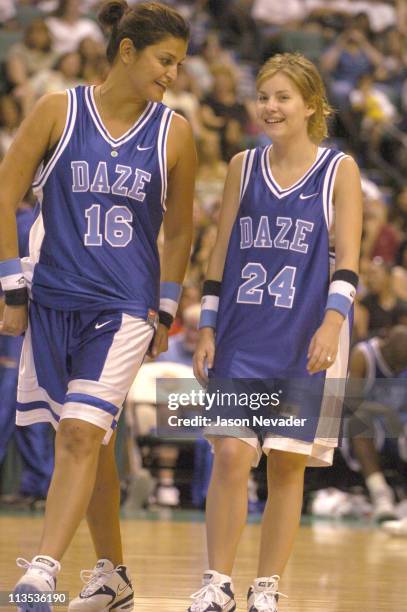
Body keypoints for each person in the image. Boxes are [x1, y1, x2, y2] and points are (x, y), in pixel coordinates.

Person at [0, 1, 195, 610]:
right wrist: (11, 289)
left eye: (181, 64)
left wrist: (164, 309)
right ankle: (112, 577)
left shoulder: (175, 131)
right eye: (166, 60)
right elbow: (4, 195)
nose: (173, 74)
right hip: (53, 299)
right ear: (128, 51)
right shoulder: (58, 110)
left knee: (82, 434)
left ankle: (43, 571)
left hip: (124, 306)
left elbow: (182, 230)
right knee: (92, 442)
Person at [191, 53, 362, 611]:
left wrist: (333, 323)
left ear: (311, 105)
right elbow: (219, 254)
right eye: (264, 95)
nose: (270, 106)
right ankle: (217, 583)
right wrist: (208, 327)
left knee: (287, 466)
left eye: (283, 96)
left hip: (306, 334)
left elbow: (349, 261)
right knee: (232, 456)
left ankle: (267, 587)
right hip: (241, 332)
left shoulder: (340, 170)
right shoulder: (243, 165)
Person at [346, 325, 407, 522]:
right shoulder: (363, 355)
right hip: (358, 425)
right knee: (360, 422)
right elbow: (350, 403)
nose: (398, 371)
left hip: (395, 424)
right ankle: (380, 493)